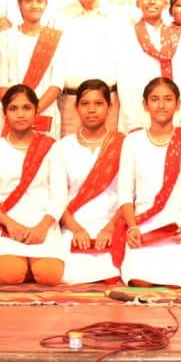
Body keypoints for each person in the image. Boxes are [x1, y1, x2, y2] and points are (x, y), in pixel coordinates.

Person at [115, 77, 181, 287]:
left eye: (167, 99)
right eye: (154, 99)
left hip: (180, 226)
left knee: (176, 283)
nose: (161, 105)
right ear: (145, 105)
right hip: (144, 226)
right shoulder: (132, 141)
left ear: (178, 104)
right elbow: (125, 193)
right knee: (139, 282)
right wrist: (132, 228)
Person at [0, 85, 67, 285]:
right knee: (11, 276)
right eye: (13, 109)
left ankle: (32, 265)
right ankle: (23, 265)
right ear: (5, 113)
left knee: (49, 276)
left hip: (43, 225)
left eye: (26, 108)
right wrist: (10, 224)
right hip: (6, 225)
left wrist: (42, 227)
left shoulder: (51, 147)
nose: (20, 114)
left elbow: (59, 194)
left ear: (36, 111)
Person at [58, 79, 125, 284]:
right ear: (76, 108)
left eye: (98, 104)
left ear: (110, 107)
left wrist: (111, 228)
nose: (91, 110)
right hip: (73, 226)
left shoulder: (124, 144)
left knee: (118, 273)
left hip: (113, 224)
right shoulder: (63, 147)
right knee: (68, 276)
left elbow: (131, 195)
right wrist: (76, 228)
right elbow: (56, 197)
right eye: (85, 104)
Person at [117, 0, 181, 132]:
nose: (152, 2)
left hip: (176, 117)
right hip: (139, 117)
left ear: (166, 3)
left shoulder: (179, 36)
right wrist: (133, 122)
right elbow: (124, 84)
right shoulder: (127, 36)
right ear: (137, 2)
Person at [55, 0, 123, 135]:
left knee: (107, 161)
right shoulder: (58, 18)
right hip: (70, 105)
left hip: (110, 105)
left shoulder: (118, 19)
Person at [0, 0, 64, 139]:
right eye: (28, 1)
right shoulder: (6, 37)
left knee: (44, 160)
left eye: (39, 1)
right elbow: (2, 82)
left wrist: (31, 111)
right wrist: (15, 111)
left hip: (44, 112)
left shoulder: (55, 38)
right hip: (11, 113)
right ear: (19, 4)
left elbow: (56, 84)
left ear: (46, 4)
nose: (34, 5)